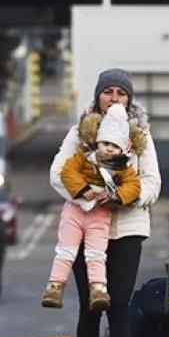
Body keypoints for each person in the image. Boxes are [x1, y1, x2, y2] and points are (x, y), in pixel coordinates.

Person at [50, 68, 160, 337]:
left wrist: (120, 196)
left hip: (127, 229)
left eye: (121, 93)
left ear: (129, 100)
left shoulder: (139, 135)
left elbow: (152, 183)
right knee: (90, 307)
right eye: (109, 91)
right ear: (98, 96)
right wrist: (87, 197)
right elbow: (57, 174)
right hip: (86, 231)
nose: (115, 98)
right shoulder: (80, 133)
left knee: (120, 304)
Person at [43, 103, 144, 312]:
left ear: (123, 149)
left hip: (101, 215)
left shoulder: (123, 168)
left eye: (114, 146)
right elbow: (67, 171)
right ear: (97, 142)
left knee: (96, 254)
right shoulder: (84, 157)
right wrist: (82, 189)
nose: (108, 148)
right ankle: (54, 287)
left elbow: (134, 186)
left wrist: (115, 196)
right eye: (105, 143)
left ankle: (98, 290)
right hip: (74, 212)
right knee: (65, 251)